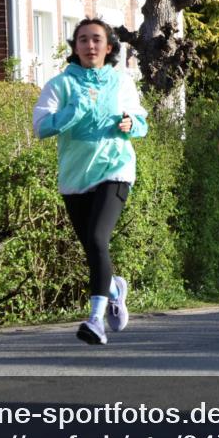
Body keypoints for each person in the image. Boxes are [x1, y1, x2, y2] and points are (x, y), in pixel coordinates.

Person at [33, 18, 148, 345]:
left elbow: (141, 123)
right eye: (83, 40)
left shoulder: (121, 82)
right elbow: (41, 128)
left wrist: (130, 125)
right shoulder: (60, 85)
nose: (90, 45)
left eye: (96, 39)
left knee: (98, 239)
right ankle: (115, 288)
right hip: (75, 176)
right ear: (75, 47)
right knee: (92, 248)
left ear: (108, 47)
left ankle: (95, 320)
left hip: (116, 169)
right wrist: (73, 111)